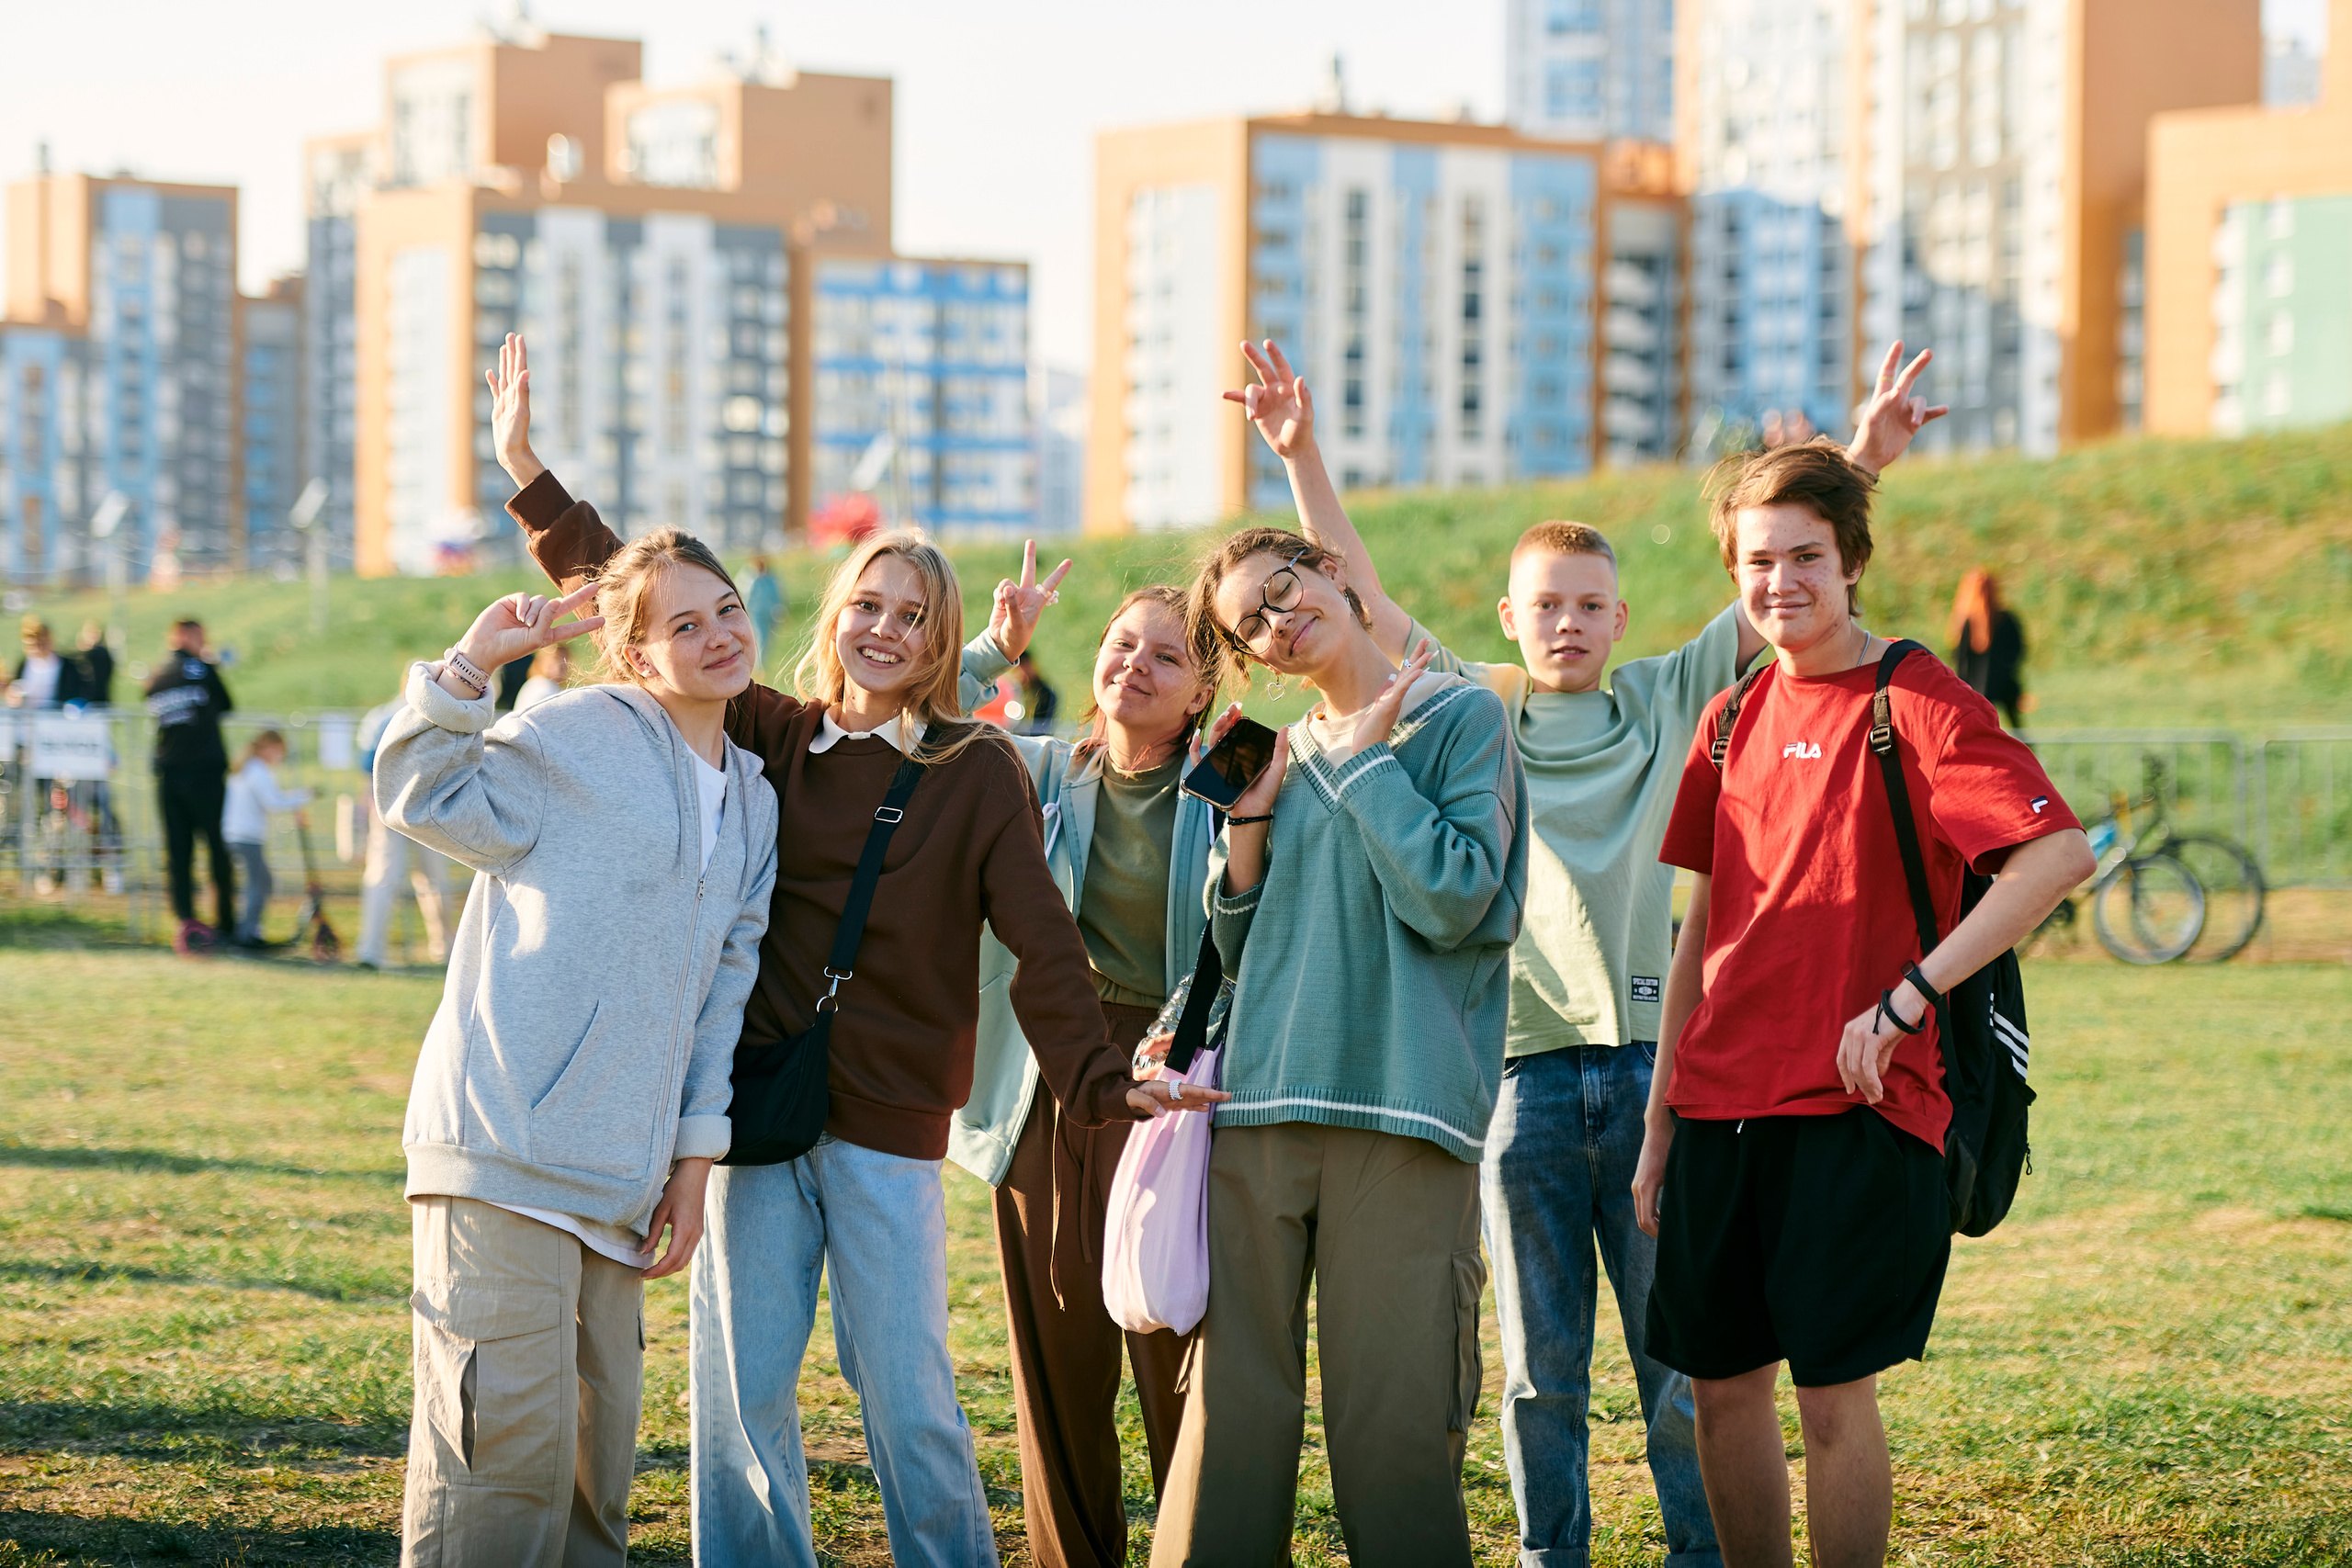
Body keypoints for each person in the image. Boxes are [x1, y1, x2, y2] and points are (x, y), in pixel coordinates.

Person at [483, 329, 1223, 1567]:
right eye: (868, 604)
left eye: (912, 615)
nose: (884, 627)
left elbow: (1042, 945)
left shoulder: (977, 767)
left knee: (914, 1403)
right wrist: (528, 473)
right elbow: (642, 593)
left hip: (888, 1127)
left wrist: (1101, 1078)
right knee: (741, 1404)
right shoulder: (771, 729)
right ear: (840, 614)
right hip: (759, 1114)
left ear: (941, 643)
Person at [1227, 337, 1947, 1568]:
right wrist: (1300, 454)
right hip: (1524, 1079)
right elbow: (1356, 592)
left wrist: (1861, 450)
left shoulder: (1672, 700)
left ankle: (1696, 1549)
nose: (1565, 621)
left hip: (1667, 1078)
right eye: (1543, 603)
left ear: (1619, 616)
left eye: (1587, 603)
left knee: (1684, 1366)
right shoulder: (1475, 702)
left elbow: (1780, 563)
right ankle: (1550, 1550)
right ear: (1511, 617)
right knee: (1537, 1368)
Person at [1635, 439, 2093, 1568]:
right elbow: (1705, 926)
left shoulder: (1916, 699)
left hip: (1858, 1103)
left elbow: (2057, 857)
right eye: (1756, 562)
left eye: (1805, 557)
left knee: (1833, 1399)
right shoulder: (1731, 717)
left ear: (1850, 564)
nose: (1779, 582)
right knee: (1721, 1390)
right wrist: (1658, 1120)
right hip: (1713, 1108)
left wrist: (1905, 998)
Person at [379, 536, 779, 1568]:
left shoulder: (753, 796)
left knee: (594, 1491)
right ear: (636, 656)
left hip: (623, 1183)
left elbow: (722, 996)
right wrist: (471, 669)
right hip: (507, 1150)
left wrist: (692, 1167)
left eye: (726, 608)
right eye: (681, 625)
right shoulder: (576, 731)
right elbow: (420, 791)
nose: (717, 635)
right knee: (496, 1483)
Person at [1149, 525, 1525, 1568]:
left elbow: (1458, 901)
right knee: (1229, 1426)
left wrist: (1365, 769)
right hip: (1254, 1117)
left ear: (1328, 569)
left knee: (1395, 1427)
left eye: (1282, 587)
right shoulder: (1258, 753)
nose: (1277, 621)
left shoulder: (1461, 716)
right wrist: (1247, 839)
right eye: (1249, 624)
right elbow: (1228, 949)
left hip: (1400, 1114)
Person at [949, 583, 1216, 1568]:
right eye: (1118, 644)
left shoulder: (1236, 770)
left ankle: (1194, 1543)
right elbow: (904, 724)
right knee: (1056, 1350)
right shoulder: (1033, 769)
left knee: (1173, 1336)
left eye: (1165, 656)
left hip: (1178, 1073)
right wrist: (994, 648)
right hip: (1047, 1067)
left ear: (1201, 690)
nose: (1133, 666)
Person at [144, 619, 235, 954]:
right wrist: (210, 664)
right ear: (186, 636)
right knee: (214, 846)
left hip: (169, 773)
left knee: (178, 852)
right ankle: (225, 924)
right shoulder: (202, 669)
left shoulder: (157, 674)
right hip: (205, 773)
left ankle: (185, 922)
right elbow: (227, 703)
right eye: (200, 635)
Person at [357, 669, 454, 969]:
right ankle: (446, 949)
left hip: (389, 804)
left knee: (384, 876)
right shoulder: (438, 714)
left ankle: (371, 949)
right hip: (427, 804)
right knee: (433, 879)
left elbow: (366, 765)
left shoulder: (381, 716)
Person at [221, 728, 312, 949]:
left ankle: (248, 930)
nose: (280, 757)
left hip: (235, 834)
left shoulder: (246, 768)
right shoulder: (257, 771)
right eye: (279, 751)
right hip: (246, 836)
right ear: (269, 748)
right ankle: (247, 933)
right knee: (259, 883)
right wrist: (303, 796)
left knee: (258, 882)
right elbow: (274, 803)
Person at [1948, 569, 2028, 729]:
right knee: (2012, 728)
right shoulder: (2001, 619)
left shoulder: (1969, 622)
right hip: (1996, 685)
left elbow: (1960, 659)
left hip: (1984, 686)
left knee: (1985, 728)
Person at [1009, 649, 1060, 734]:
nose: (1018, 675)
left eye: (1020, 669)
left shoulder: (1045, 694)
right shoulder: (1018, 691)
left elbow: (1041, 726)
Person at [745, 554, 786, 658]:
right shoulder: (754, 581)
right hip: (758, 614)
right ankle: (760, 665)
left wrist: (780, 611)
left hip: (769, 614)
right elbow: (749, 598)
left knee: (768, 639)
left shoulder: (770, 580)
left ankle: (763, 662)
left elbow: (776, 597)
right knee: (761, 638)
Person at [514, 641, 570, 711]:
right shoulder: (543, 686)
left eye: (565, 661)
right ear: (542, 662)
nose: (561, 665)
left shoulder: (535, 684)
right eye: (555, 660)